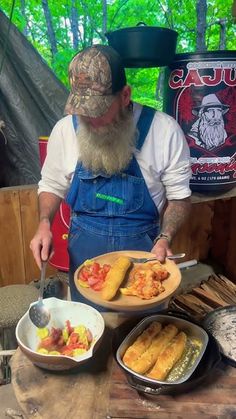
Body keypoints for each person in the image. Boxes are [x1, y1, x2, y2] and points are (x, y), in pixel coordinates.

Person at [30, 44, 192, 305]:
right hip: (86, 263)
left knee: (142, 337)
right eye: (83, 110)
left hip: (143, 262)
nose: (90, 120)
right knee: (88, 335)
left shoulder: (164, 131)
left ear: (125, 95)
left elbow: (180, 198)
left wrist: (165, 237)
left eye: (99, 110)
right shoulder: (64, 131)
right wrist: (44, 223)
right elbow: (51, 184)